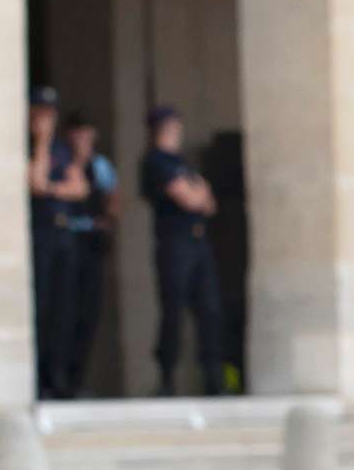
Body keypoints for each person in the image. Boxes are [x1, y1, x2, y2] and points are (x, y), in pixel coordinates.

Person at [140, 104, 226, 398]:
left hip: (198, 241)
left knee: (209, 309)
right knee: (173, 311)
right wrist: (197, 194)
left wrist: (198, 194)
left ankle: (214, 376)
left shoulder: (182, 163)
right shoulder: (156, 161)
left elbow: (209, 202)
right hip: (174, 243)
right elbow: (189, 198)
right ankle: (166, 378)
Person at [54, 113, 121, 398]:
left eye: (88, 136)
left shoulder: (101, 166)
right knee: (64, 311)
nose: (84, 142)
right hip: (67, 240)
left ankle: (77, 379)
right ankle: (58, 380)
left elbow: (113, 196)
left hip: (92, 242)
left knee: (89, 314)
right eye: (78, 136)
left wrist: (109, 219)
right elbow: (75, 188)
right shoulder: (64, 161)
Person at [26, 86, 84, 400]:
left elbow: (79, 188)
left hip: (64, 234)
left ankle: (58, 376)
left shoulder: (62, 149)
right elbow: (34, 183)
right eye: (40, 112)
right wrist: (42, 142)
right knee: (43, 306)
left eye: (50, 113)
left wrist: (51, 187)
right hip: (41, 233)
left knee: (65, 308)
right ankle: (39, 378)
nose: (46, 118)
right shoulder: (33, 146)